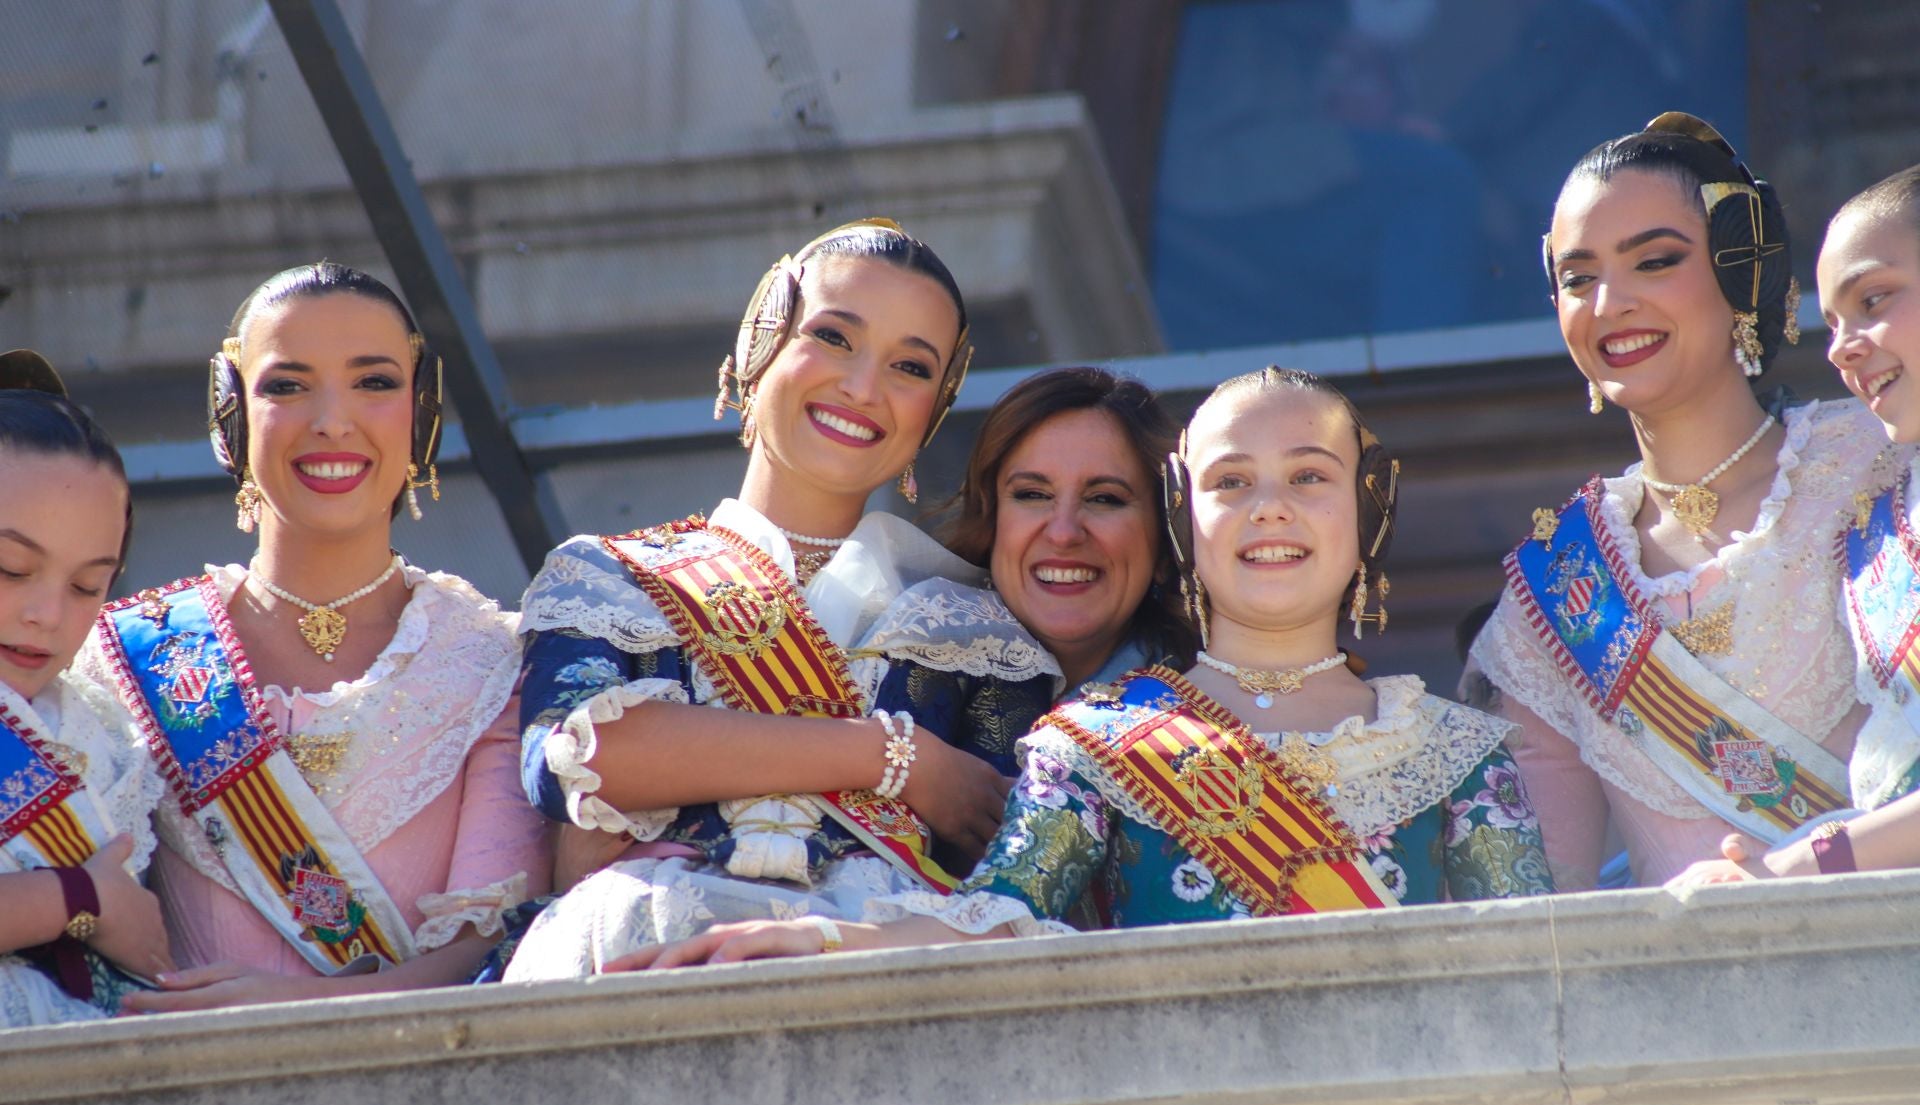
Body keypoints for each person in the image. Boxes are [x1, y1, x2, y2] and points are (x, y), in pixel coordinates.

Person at [606, 365, 1554, 971]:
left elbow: (1536, 966)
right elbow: (997, 922)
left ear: (1368, 511)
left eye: (1309, 476)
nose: (1270, 507)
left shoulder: (1459, 749)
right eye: (1230, 482)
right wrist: (820, 938)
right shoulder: (1092, 742)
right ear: (1182, 518)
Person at [497, 219, 1058, 981]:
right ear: (759, 345)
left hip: (868, 972)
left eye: (911, 367)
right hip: (634, 946)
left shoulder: (973, 628)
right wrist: (897, 758)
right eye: (833, 338)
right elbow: (575, 758)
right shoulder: (614, 576)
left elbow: (1000, 867)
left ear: (935, 409)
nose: (864, 388)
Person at [75, 264, 550, 1010]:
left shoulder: (496, 661)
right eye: (287, 386)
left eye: (376, 383)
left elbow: (498, 948)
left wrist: (294, 1010)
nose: (332, 419)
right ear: (229, 412)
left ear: (422, 413)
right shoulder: (125, 655)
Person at [1462, 113, 1896, 890]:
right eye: (1578, 278)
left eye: (1655, 262)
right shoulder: (1550, 600)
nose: (1609, 305)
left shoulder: (1882, 465)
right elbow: (1533, 908)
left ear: (1743, 270)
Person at [1671, 163, 1920, 885]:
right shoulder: (1884, 518)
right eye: (1832, 323)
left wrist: (1803, 863)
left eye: (1872, 300)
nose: (1841, 347)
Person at [0, 351, 171, 1026]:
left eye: (85, 586)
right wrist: (77, 898)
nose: (47, 614)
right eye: (10, 568)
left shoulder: (105, 725)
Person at [940, 365, 1195, 695]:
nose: (1063, 533)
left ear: (1164, 545)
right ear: (990, 525)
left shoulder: (1231, 724)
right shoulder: (892, 675)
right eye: (1033, 494)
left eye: (1104, 499)